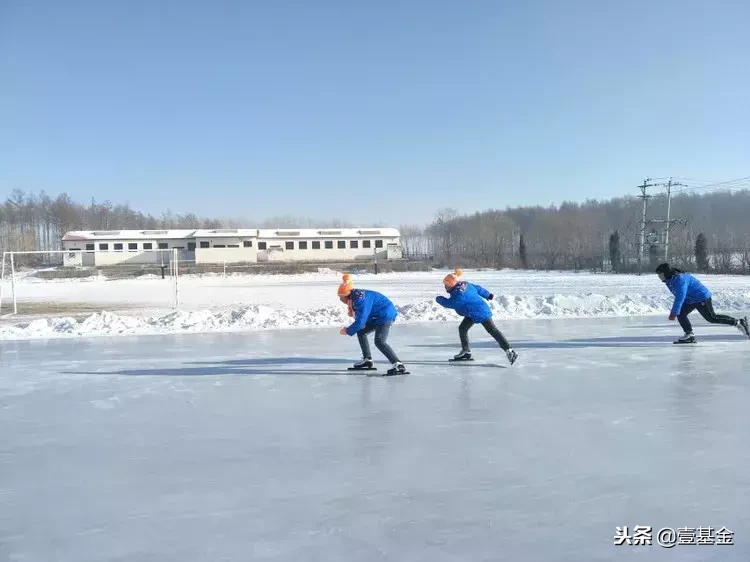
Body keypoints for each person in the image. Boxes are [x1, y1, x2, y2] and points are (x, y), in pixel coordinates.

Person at [436, 269, 518, 365]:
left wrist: (438, 299)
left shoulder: (459, 295)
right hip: (472, 312)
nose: (445, 287)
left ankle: (509, 350)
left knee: (492, 330)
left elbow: (449, 303)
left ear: (451, 284)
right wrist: (488, 294)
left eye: (446, 285)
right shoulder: (465, 284)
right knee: (463, 328)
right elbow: (478, 288)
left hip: (480, 312)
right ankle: (466, 351)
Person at [655, 262, 749, 343]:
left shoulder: (680, 279)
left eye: (660, 274)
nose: (659, 276)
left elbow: (680, 296)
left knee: (712, 318)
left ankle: (739, 322)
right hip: (690, 299)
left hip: (701, 297)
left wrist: (674, 312)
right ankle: (689, 335)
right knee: (682, 313)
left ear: (666, 273)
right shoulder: (670, 280)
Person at [337, 273, 408, 375]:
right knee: (361, 332)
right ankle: (367, 360)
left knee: (379, 341)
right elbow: (362, 317)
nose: (340, 300)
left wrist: (347, 331)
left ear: (347, 295)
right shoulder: (354, 296)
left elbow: (360, 321)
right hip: (377, 315)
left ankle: (398, 365)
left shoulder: (359, 300)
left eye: (341, 297)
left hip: (385, 315)